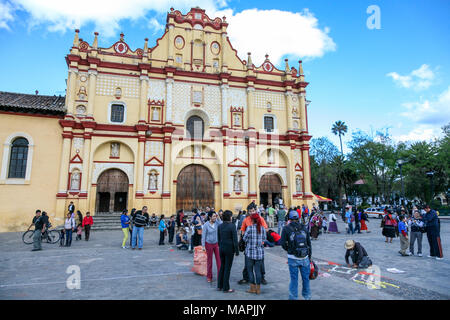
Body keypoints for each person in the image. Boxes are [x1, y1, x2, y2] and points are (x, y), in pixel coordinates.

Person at [281, 210, 312, 300]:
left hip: (293, 257)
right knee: (306, 279)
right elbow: (309, 244)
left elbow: (282, 243)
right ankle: (307, 296)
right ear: (298, 218)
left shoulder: (286, 228)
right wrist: (309, 257)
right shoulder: (304, 227)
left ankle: (293, 297)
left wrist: (290, 250)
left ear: (289, 218)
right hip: (304, 257)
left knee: (294, 279)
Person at [238, 204, 269, 285]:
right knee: (247, 264)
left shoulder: (260, 219)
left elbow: (266, 229)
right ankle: (246, 278)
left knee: (260, 264)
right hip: (249, 245)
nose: (252, 212)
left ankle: (262, 278)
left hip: (258, 245)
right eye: (250, 211)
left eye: (253, 211)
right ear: (248, 211)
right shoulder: (246, 220)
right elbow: (242, 230)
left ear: (256, 210)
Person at [243, 213, 266, 295]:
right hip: (259, 254)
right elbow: (264, 239)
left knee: (250, 271)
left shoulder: (249, 228)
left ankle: (252, 288)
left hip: (250, 253)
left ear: (252, 220)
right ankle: (258, 289)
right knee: (258, 271)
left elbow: (244, 238)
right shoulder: (262, 228)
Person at [217, 210, 239, 293]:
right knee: (227, 268)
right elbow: (235, 240)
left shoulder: (220, 226)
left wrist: (220, 246)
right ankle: (226, 287)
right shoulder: (232, 226)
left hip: (221, 248)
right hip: (229, 249)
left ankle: (220, 285)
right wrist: (237, 251)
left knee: (222, 266)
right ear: (229, 217)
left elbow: (218, 238)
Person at [202, 211, 223, 283]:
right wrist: (203, 246)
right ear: (210, 217)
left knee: (219, 261)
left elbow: (222, 224)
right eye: (213, 216)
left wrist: (218, 217)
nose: (215, 218)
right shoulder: (206, 225)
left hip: (216, 244)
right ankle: (209, 277)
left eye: (215, 216)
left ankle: (220, 276)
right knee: (209, 261)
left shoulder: (217, 223)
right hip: (208, 244)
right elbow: (203, 236)